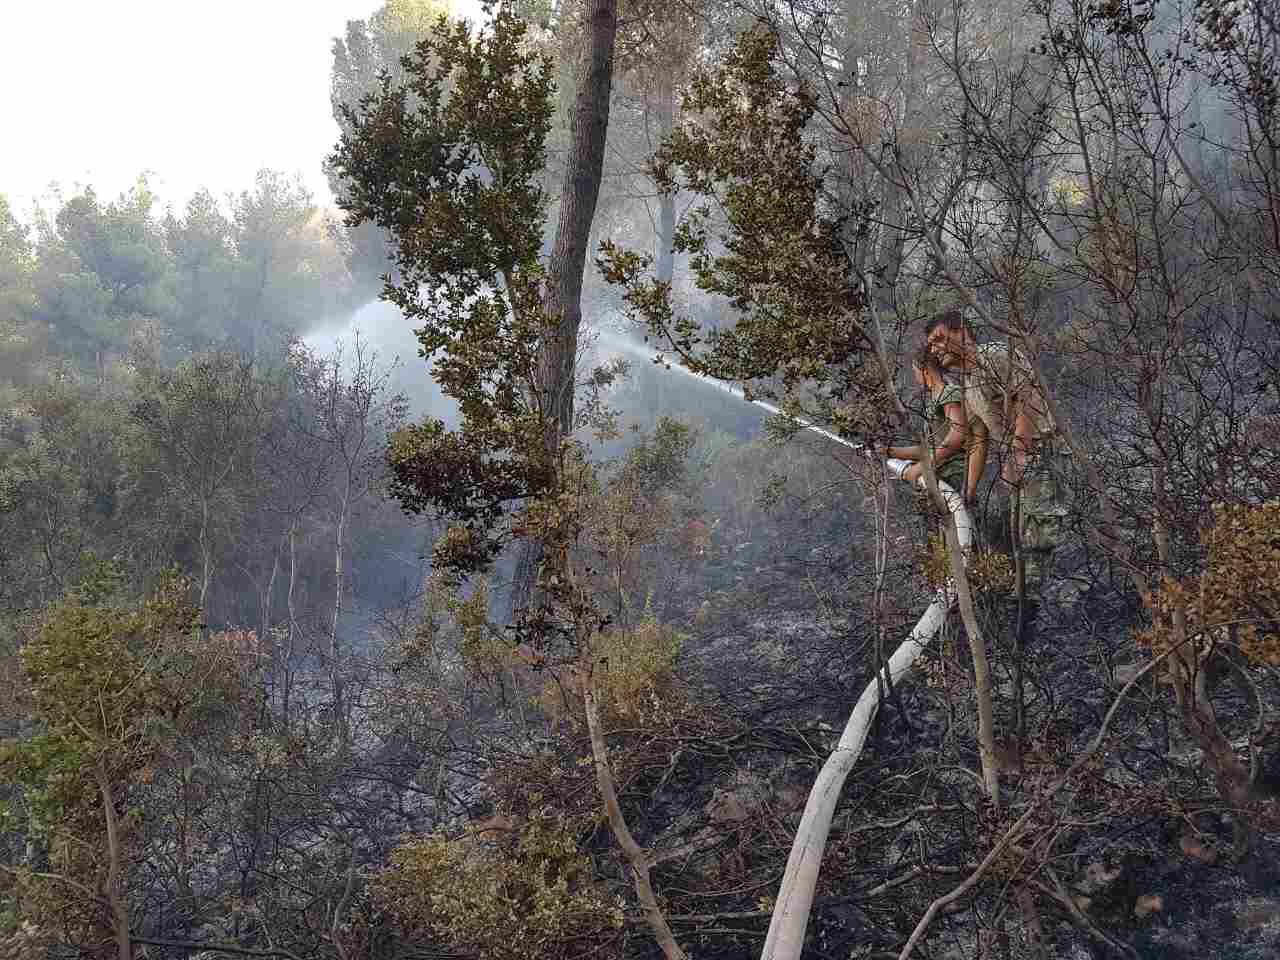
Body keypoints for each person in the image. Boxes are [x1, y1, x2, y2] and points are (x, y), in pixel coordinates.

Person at [880, 351, 988, 505]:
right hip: (942, 475)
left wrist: (921, 468)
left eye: (915, 372)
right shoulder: (935, 399)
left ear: (925, 371)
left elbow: (957, 437)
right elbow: (929, 449)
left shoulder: (948, 393)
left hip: (955, 476)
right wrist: (890, 451)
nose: (916, 378)